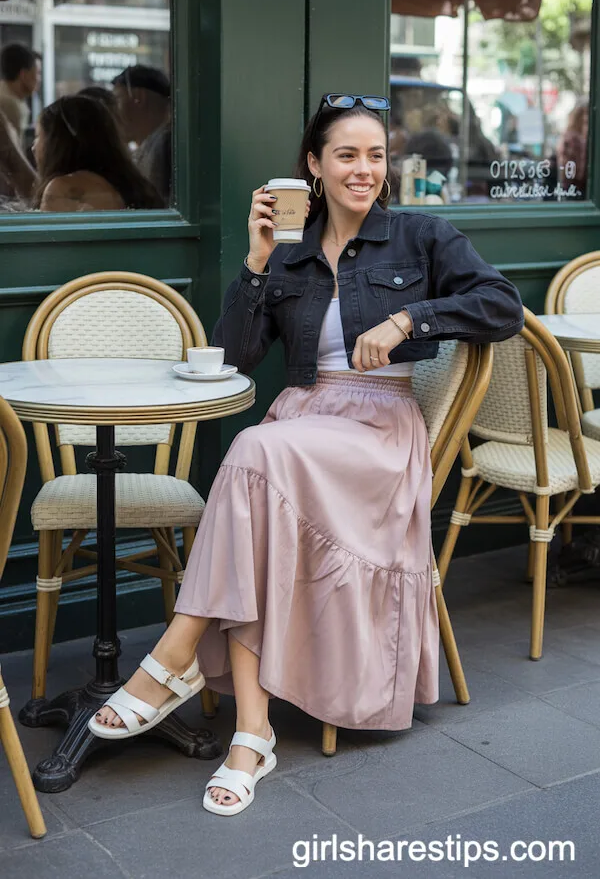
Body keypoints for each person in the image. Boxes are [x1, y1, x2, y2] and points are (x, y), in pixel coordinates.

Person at [91, 93, 524, 816]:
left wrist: (411, 315)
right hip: (302, 421)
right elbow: (234, 355)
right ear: (313, 168)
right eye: (346, 155)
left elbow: (502, 305)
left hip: (379, 434)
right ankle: (252, 732)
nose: (364, 169)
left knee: (256, 450)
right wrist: (258, 263)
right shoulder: (288, 252)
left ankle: (174, 658)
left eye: (376, 156)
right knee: (261, 462)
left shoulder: (421, 235)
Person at [31, 94, 163, 212]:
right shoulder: (136, 187)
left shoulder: (62, 189)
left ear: (56, 143)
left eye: (38, 136)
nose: (33, 147)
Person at [112, 64, 171, 203]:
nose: (113, 112)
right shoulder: (152, 145)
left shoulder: (164, 144)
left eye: (117, 100)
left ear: (139, 97)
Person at [0, 43, 41, 145]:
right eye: (38, 73)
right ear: (23, 75)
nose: (39, 79)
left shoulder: (15, 98)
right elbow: (13, 157)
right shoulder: (9, 104)